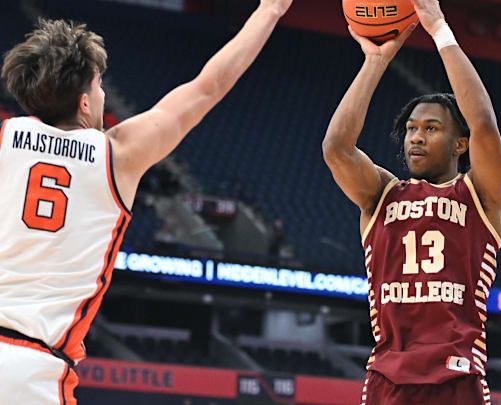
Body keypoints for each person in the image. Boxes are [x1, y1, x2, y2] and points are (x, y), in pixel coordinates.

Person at [0, 1, 291, 403]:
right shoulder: (117, 154)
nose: (104, 96)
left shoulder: (4, 139)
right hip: (33, 368)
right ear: (84, 101)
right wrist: (271, 11)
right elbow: (209, 86)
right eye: (99, 86)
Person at [322, 0, 501, 403]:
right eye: (410, 129)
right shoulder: (381, 194)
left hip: (457, 375)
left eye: (430, 128)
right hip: (389, 377)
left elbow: (484, 127)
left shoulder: (480, 195)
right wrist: (375, 59)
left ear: (461, 144)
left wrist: (439, 28)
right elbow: (336, 148)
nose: (416, 137)